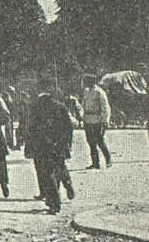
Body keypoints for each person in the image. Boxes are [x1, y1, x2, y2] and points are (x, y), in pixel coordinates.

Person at [25, 83, 75, 214]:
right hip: (59, 145)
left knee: (47, 174)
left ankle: (54, 203)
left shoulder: (36, 108)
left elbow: (31, 130)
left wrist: (29, 147)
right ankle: (67, 184)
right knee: (60, 167)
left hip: (43, 147)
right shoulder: (60, 107)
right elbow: (69, 127)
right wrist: (67, 143)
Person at [81, 73, 112, 169]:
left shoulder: (99, 92)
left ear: (91, 82)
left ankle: (108, 159)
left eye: (86, 82)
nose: (84, 84)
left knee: (99, 141)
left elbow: (105, 107)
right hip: (88, 120)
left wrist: (106, 120)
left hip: (98, 120)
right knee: (90, 142)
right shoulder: (86, 91)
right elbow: (83, 105)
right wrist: (82, 117)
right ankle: (95, 163)